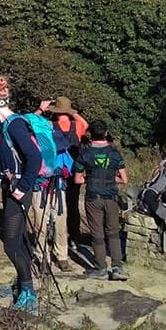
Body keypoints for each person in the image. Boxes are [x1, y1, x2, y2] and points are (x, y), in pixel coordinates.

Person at [0, 76, 43, 313]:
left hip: (19, 190)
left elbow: (34, 157)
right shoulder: (7, 124)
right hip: (13, 187)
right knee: (18, 239)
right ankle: (22, 282)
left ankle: (28, 293)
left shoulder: (14, 124)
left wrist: (22, 186)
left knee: (10, 243)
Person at [35, 96, 84, 270]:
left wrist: (41, 110)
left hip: (49, 181)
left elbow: (29, 123)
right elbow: (86, 127)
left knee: (45, 219)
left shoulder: (48, 127)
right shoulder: (75, 125)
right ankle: (53, 255)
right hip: (55, 180)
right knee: (55, 217)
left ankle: (50, 255)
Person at [77, 121, 129, 280]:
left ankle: (100, 268)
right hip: (111, 198)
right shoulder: (114, 153)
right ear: (106, 133)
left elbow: (78, 179)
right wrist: (108, 178)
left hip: (93, 197)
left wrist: (92, 178)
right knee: (113, 232)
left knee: (97, 233)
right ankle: (117, 268)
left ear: (90, 134)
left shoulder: (85, 154)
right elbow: (124, 179)